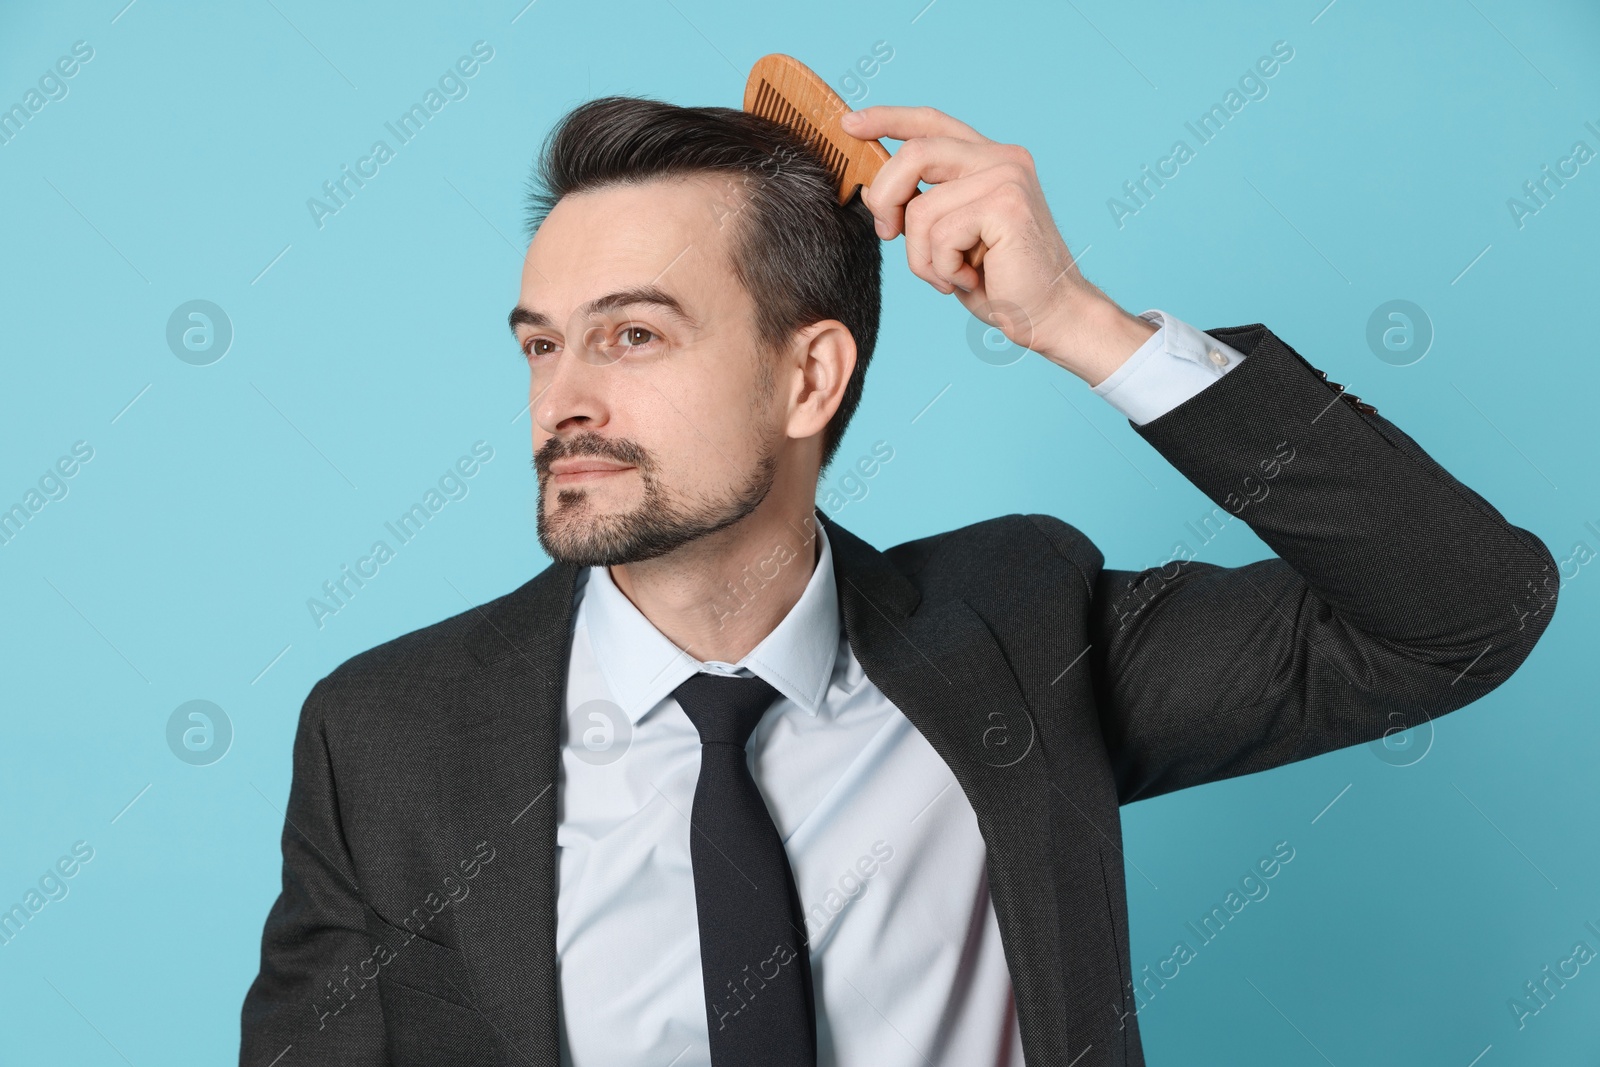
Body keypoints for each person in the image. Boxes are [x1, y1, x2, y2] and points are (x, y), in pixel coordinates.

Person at [239, 96, 1558, 1067]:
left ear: (808, 376)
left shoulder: (1022, 630)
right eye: (543, 345)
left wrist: (1083, 328)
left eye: (633, 335)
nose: (563, 402)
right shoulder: (389, 733)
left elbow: (1462, 612)